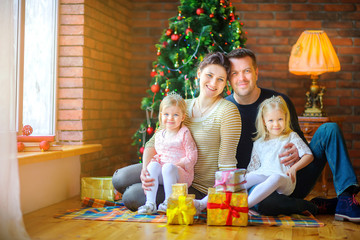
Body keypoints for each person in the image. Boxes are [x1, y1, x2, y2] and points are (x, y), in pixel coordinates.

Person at [225, 48, 360, 222]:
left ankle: (346, 199)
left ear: (256, 73)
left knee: (330, 129)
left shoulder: (279, 101)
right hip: (258, 182)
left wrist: (297, 154)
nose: (241, 78)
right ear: (229, 78)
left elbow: (301, 144)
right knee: (264, 204)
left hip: (292, 175)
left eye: (247, 71)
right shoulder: (225, 108)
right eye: (235, 73)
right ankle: (313, 206)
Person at [112, 52, 241, 212]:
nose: (213, 83)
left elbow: (227, 164)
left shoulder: (227, 111)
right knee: (119, 178)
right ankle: (152, 186)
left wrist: (215, 199)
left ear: (225, 83)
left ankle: (162, 198)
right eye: (209, 75)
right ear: (199, 73)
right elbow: (154, 142)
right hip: (165, 167)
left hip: (197, 186)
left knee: (131, 196)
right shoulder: (182, 106)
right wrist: (145, 170)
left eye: (220, 79)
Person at [245, 96, 313, 210]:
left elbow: (308, 156)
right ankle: (205, 203)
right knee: (246, 178)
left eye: (280, 119)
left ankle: (244, 206)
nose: (276, 124)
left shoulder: (291, 136)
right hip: (264, 177)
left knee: (275, 177)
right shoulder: (259, 143)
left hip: (284, 180)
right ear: (264, 121)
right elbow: (253, 168)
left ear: (286, 119)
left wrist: (293, 168)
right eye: (271, 120)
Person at [137, 93, 198, 214]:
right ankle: (150, 203)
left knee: (168, 167)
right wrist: (153, 162)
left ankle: (169, 202)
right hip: (163, 172)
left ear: (182, 117)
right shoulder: (160, 134)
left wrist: (177, 165)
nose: (170, 118)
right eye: (166, 114)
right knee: (153, 166)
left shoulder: (184, 133)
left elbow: (192, 156)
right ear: (161, 116)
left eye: (175, 115)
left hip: (180, 174)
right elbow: (159, 154)